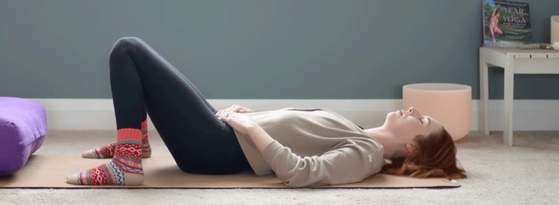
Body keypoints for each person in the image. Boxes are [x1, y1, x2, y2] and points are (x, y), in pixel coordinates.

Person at [67, 37, 467, 187]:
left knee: (128, 51)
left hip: (217, 150)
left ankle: (127, 163)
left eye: (423, 120)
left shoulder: (366, 155)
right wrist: (249, 119)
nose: (415, 110)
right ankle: (135, 144)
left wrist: (248, 129)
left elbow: (302, 173)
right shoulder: (362, 135)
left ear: (412, 148)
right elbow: (293, 133)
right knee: (137, 59)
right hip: (224, 138)